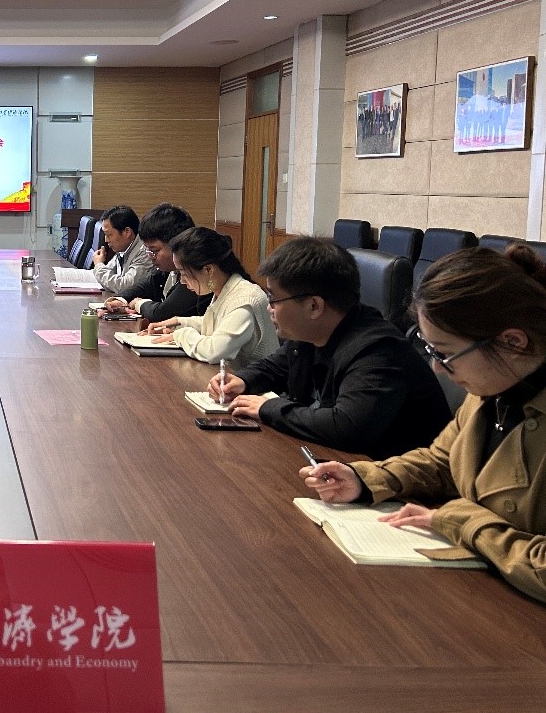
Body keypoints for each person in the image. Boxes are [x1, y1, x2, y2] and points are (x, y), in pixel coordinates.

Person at [299, 245, 546, 603]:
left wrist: (461, 521)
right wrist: (367, 479)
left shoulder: (495, 381)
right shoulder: (494, 385)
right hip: (480, 589)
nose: (437, 369)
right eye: (430, 350)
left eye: (445, 354)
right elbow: (444, 461)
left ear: (513, 342)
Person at [211, 236, 450, 458]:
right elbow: (275, 367)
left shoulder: (377, 351)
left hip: (400, 482)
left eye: (273, 299)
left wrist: (269, 408)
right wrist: (243, 381)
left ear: (314, 306)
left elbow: (346, 427)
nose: (269, 308)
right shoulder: (311, 334)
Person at [147, 226, 277, 367]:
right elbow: (220, 323)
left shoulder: (245, 300)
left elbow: (215, 351)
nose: (182, 281)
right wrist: (178, 323)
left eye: (184, 273)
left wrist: (181, 335)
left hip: (253, 380)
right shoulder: (226, 289)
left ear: (209, 269)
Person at [103, 203, 208, 322]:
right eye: (147, 249)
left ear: (178, 244)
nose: (150, 256)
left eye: (155, 250)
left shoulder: (195, 272)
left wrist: (139, 304)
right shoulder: (166, 269)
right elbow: (144, 287)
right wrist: (120, 300)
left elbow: (163, 313)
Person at [90, 205, 153, 295]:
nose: (106, 240)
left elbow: (125, 287)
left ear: (127, 232)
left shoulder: (145, 251)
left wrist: (99, 265)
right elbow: (108, 274)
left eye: (109, 234)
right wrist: (100, 268)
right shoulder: (123, 248)